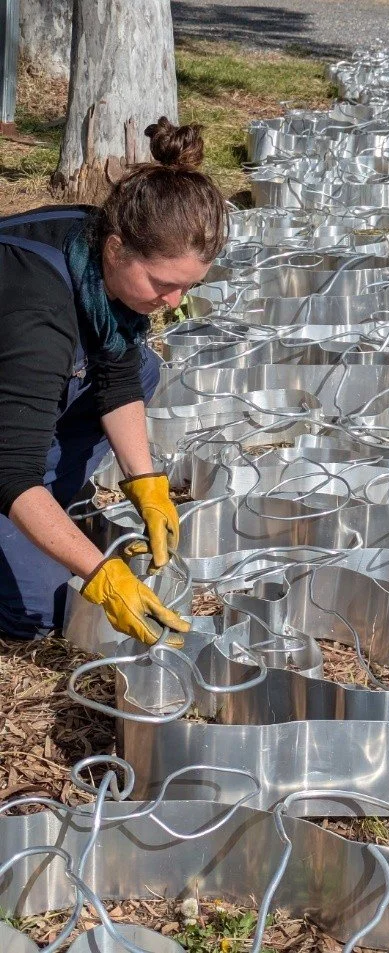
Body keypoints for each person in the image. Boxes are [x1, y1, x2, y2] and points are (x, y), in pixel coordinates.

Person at [0, 118, 227, 645]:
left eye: (186, 288)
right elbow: (9, 470)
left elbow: (119, 370)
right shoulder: (38, 311)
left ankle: (47, 499)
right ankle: (32, 512)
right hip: (11, 425)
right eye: (164, 286)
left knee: (144, 365)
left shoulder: (99, 245)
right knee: (37, 611)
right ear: (117, 250)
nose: (173, 304)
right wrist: (99, 575)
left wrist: (144, 483)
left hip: (20, 401)